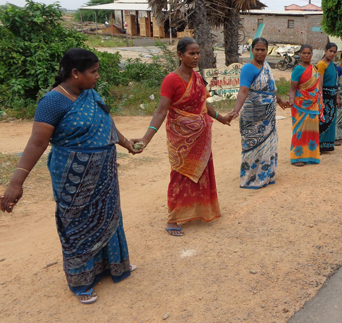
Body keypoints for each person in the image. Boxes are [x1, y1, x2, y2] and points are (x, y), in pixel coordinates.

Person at [0, 48, 139, 304]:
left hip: (105, 176)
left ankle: (113, 267)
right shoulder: (53, 101)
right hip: (73, 179)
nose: (97, 77)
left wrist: (126, 143)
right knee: (77, 226)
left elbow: (106, 124)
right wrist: (15, 183)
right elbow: (36, 143)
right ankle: (81, 282)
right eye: (93, 72)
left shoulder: (90, 94)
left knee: (109, 217)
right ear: (75, 73)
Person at [134, 38, 231, 237]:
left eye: (197, 53)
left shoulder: (197, 78)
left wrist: (221, 118)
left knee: (201, 174)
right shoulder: (171, 80)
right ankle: (173, 219)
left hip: (201, 138)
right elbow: (161, 111)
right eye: (191, 53)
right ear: (180, 55)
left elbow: (205, 104)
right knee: (180, 175)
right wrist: (146, 139)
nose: (196, 57)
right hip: (181, 140)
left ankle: (199, 211)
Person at [232, 38, 285, 189]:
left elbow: (271, 89)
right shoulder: (248, 68)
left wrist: (280, 101)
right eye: (257, 49)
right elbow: (243, 90)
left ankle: (266, 175)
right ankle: (250, 178)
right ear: (252, 50)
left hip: (268, 116)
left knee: (268, 144)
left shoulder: (266, 66)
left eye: (263, 49)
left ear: (267, 50)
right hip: (252, 114)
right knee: (252, 146)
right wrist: (236, 110)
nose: (260, 52)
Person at [287, 44, 321, 166]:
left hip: (313, 104)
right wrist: (291, 99)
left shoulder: (315, 69)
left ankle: (311, 155)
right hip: (300, 104)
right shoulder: (298, 69)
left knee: (312, 129)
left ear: (312, 54)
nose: (306, 55)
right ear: (300, 54)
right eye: (304, 53)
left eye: (309, 53)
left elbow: (317, 87)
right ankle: (297, 156)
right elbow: (292, 88)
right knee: (299, 130)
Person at [317, 42, 340, 151]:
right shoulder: (321, 64)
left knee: (331, 119)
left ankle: (327, 144)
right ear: (325, 51)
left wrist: (337, 97)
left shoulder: (333, 65)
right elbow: (319, 84)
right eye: (330, 51)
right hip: (325, 96)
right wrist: (320, 99)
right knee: (323, 119)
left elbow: (336, 82)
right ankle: (318, 144)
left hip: (333, 95)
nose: (332, 54)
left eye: (334, 52)